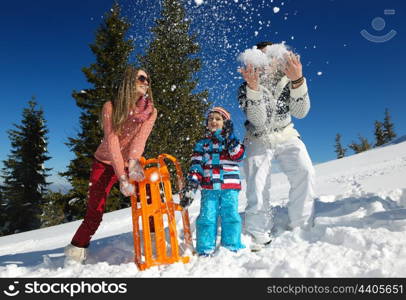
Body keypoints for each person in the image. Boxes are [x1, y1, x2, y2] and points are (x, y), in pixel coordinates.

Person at [64, 66, 157, 263]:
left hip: (130, 161)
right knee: (95, 213)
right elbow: (113, 142)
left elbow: (140, 140)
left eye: (147, 79)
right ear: (129, 81)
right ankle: (75, 253)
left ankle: (154, 243)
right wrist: (122, 177)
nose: (146, 82)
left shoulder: (151, 111)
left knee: (149, 202)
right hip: (104, 162)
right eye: (141, 78)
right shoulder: (111, 106)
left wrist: (132, 165)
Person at [238, 41, 315, 251]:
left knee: (304, 170)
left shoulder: (288, 81)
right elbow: (259, 121)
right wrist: (253, 90)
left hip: (286, 133)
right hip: (258, 136)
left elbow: (301, 112)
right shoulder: (245, 87)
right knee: (256, 178)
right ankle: (257, 231)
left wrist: (298, 80)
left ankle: (301, 223)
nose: (266, 63)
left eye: (270, 57)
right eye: (260, 58)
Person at [180, 107, 246, 256]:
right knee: (207, 217)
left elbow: (239, 156)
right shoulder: (202, 144)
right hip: (209, 188)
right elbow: (196, 164)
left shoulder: (231, 141)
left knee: (230, 215)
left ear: (226, 123)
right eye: (210, 119)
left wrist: (230, 139)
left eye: (218, 119)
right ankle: (205, 248)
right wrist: (192, 182)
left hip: (229, 186)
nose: (213, 121)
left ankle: (231, 246)